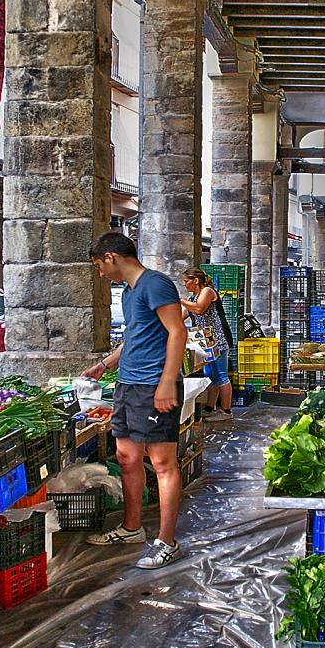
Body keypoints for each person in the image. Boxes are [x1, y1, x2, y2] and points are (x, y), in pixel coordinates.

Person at [80, 232, 189, 569]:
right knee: (126, 456)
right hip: (128, 384)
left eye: (99, 266)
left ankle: (167, 541)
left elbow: (177, 332)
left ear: (111, 257)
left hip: (154, 384)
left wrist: (167, 382)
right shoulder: (128, 293)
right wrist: (104, 366)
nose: (100, 273)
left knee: (162, 463)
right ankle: (131, 528)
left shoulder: (155, 284)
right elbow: (134, 336)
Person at [178, 267, 233, 421]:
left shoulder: (207, 291)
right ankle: (210, 408)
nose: (185, 285)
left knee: (221, 376)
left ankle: (226, 411)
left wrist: (179, 300)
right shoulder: (193, 298)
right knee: (210, 375)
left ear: (196, 281)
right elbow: (180, 317)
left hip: (218, 341)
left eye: (186, 282)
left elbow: (200, 309)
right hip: (205, 344)